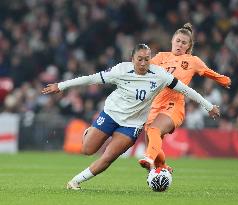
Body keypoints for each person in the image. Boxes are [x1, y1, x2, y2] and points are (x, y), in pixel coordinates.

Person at [42, 44, 220, 190]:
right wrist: (61, 85)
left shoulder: (160, 75)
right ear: (132, 59)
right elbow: (91, 79)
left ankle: (75, 182)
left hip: (132, 124)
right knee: (87, 150)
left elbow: (186, 90)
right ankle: (91, 132)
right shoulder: (120, 70)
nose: (143, 63)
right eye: (139, 59)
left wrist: (208, 106)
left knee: (108, 157)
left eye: (147, 59)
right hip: (111, 114)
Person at [139, 23, 231, 171]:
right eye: (177, 41)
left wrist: (223, 80)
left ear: (188, 46)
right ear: (172, 41)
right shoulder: (162, 56)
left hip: (173, 105)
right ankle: (161, 165)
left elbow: (208, 72)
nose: (179, 45)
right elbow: (144, 69)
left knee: (154, 130)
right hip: (154, 104)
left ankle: (149, 159)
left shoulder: (192, 60)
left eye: (183, 42)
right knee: (152, 139)